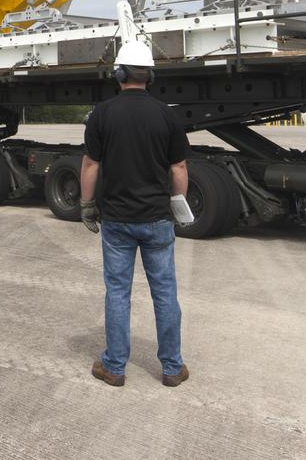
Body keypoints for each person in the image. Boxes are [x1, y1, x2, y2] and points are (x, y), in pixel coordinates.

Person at [79, 40, 190, 388]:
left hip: (116, 220)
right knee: (165, 292)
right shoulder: (167, 114)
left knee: (117, 292)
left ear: (120, 73)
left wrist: (86, 205)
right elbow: (179, 168)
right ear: (150, 75)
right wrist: (178, 205)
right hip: (157, 219)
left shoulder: (102, 114)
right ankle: (172, 368)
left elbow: (91, 164)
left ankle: (114, 366)